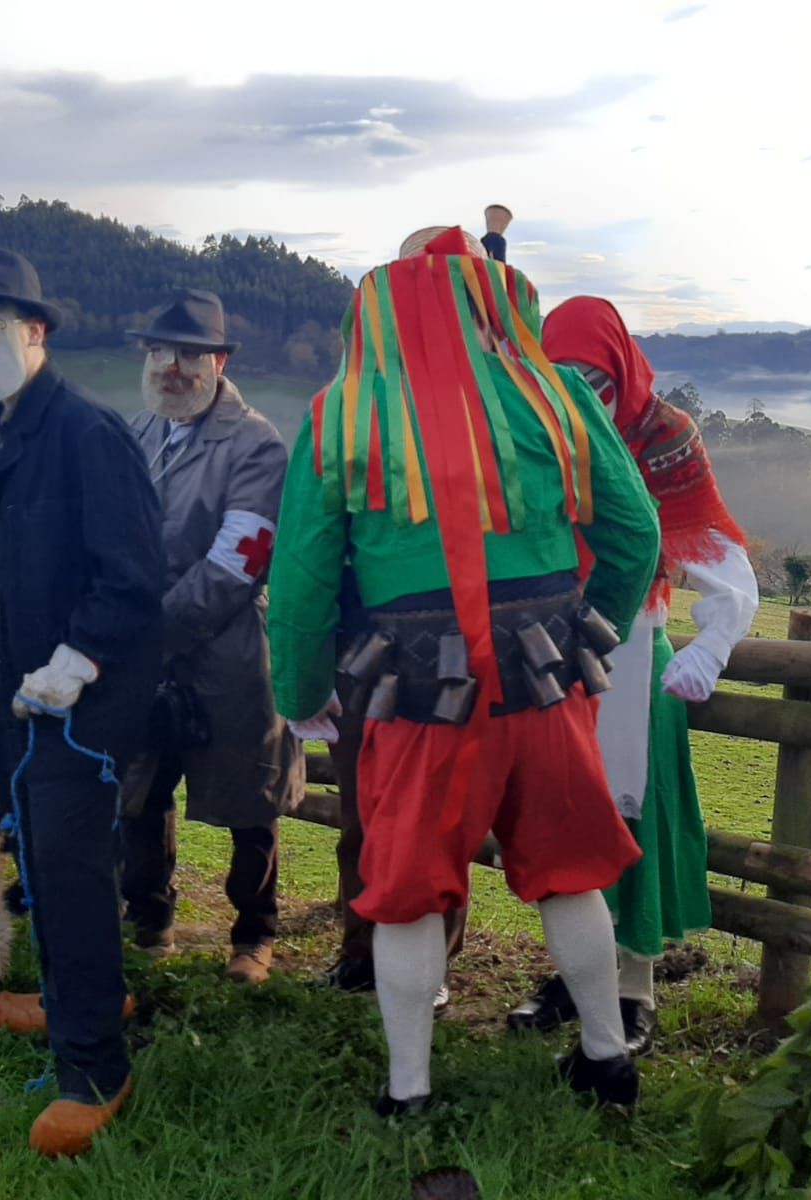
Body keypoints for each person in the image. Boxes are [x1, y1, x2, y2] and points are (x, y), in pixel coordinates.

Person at [268, 226, 662, 1114]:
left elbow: (299, 580)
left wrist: (298, 694)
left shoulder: (341, 416)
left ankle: (410, 1091)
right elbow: (636, 532)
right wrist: (584, 627)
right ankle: (607, 1060)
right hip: (545, 681)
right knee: (571, 870)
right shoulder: (559, 393)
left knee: (406, 888)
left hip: (417, 696)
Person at [0, 246, 165, 1157]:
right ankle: (71, 1003)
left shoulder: (87, 434)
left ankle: (95, 1065)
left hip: (77, 700)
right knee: (35, 862)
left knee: (68, 870)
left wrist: (76, 658)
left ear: (35, 332)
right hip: (3, 688)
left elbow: (136, 578)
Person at [503, 295, 758, 1056]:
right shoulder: (531, 427)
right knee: (562, 814)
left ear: (621, 371)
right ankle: (573, 975)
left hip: (633, 640)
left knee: (630, 812)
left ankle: (634, 985)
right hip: (548, 644)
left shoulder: (662, 436)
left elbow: (719, 555)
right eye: (565, 375)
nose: (583, 395)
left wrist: (712, 644)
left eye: (596, 379)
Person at [320, 209, 520, 999]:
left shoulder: (511, 395)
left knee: (447, 812)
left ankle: (431, 963)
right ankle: (359, 945)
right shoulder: (357, 393)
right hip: (366, 642)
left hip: (475, 647)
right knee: (362, 808)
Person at [118, 289, 304, 979]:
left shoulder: (257, 444)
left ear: (220, 360)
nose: (172, 366)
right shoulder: (137, 433)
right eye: (160, 351)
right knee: (139, 786)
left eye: (190, 353)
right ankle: (150, 916)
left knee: (250, 797)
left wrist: (144, 628)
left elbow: (237, 561)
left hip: (228, 647)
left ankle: (254, 932)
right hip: (144, 646)